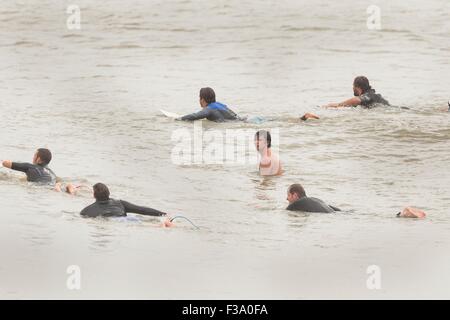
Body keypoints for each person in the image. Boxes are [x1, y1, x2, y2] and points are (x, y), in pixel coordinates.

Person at [80, 183, 174, 227]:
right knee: (147, 224)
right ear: (109, 193)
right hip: (130, 220)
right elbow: (142, 210)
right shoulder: (120, 203)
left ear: (94, 195)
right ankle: (164, 223)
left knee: (152, 226)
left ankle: (161, 225)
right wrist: (163, 214)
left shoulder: (86, 211)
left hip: (117, 223)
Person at [2, 148, 77, 194]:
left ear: (39, 159)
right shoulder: (51, 172)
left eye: (34, 155)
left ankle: (61, 188)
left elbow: (5, 163)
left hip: (41, 187)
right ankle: (67, 188)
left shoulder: (30, 167)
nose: (33, 157)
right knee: (57, 186)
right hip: (51, 185)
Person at [324, 76, 390, 108]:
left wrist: (338, 105)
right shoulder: (376, 96)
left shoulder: (368, 96)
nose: (352, 88)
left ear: (357, 88)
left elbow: (357, 100)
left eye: (353, 86)